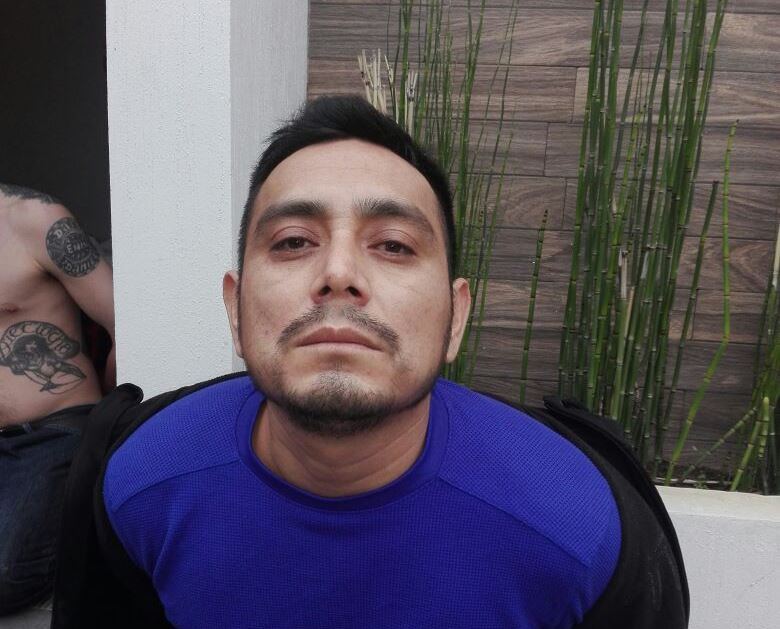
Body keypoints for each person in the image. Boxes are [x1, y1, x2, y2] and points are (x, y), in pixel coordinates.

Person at [99, 96, 685, 628]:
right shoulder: (140, 485)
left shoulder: (579, 529)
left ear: (456, 318)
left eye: (394, 245)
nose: (338, 274)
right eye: (294, 241)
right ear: (235, 308)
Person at [0, 183, 115, 614]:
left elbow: (122, 322)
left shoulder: (36, 220)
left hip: (54, 431)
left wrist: (110, 424)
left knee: (7, 573)